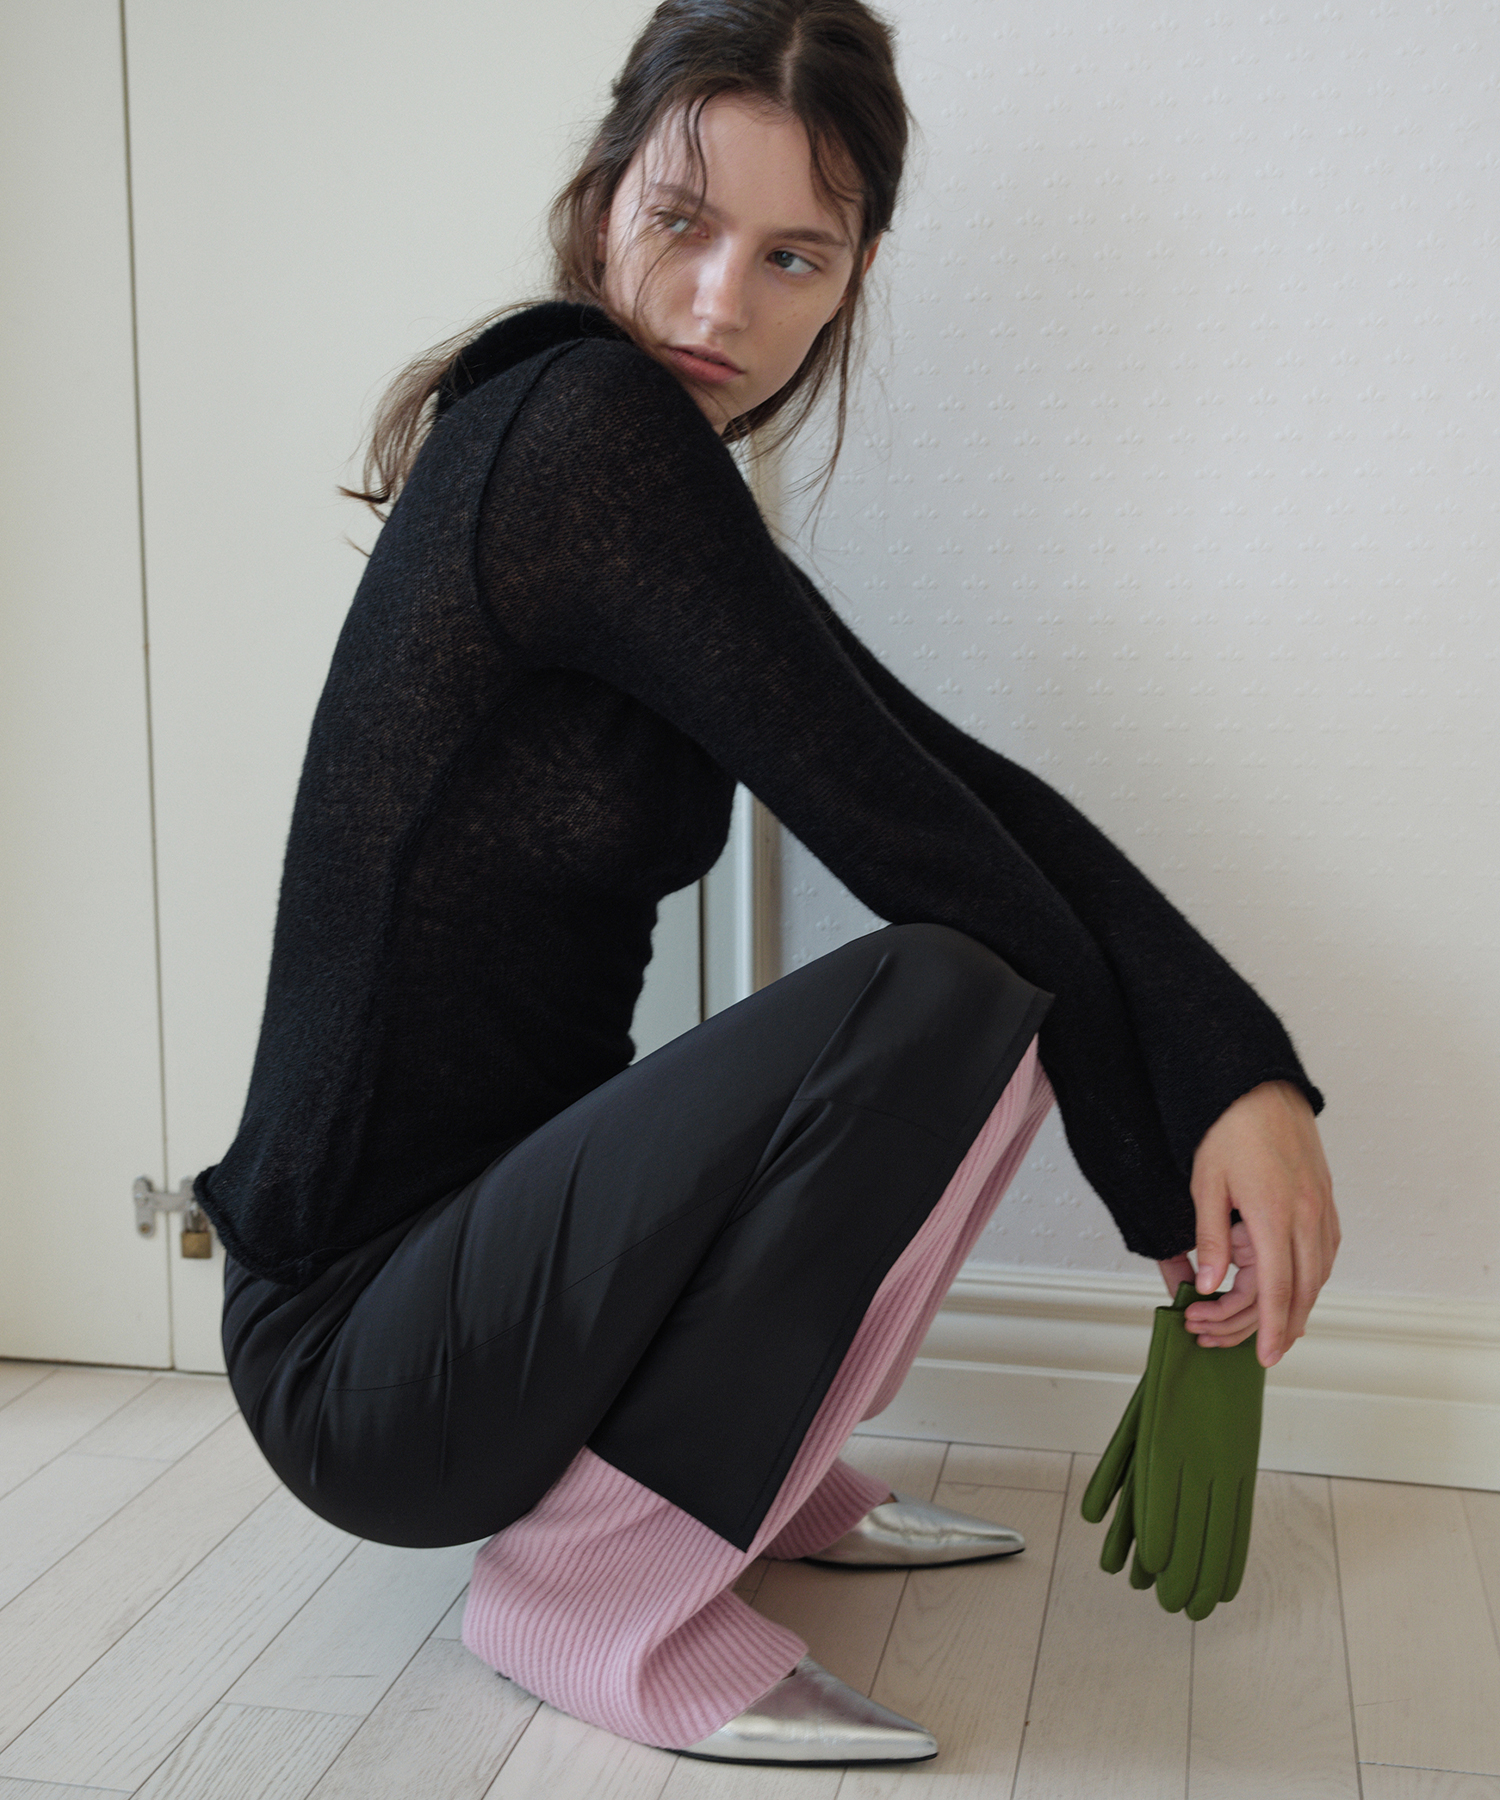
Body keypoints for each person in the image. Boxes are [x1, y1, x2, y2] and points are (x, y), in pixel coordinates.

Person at [198, 0, 1339, 1768]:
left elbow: (940, 775)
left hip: (490, 1307)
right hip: (362, 1361)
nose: (723, 303)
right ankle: (589, 1589)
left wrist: (1238, 1071)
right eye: (683, 223)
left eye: (794, 256)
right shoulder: (578, 427)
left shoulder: (644, 474)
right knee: (953, 980)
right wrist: (1175, 1188)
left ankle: (748, 1473)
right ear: (603, 202)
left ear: (850, 277)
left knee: (976, 958)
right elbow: (928, 841)